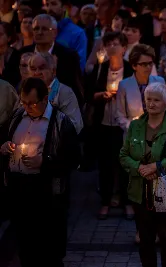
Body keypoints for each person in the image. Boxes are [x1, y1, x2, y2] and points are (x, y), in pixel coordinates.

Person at [0, 77, 80, 266]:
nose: (27, 107)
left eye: (32, 103)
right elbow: (4, 139)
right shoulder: (17, 117)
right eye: (24, 102)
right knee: (25, 247)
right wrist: (4, 147)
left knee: (48, 251)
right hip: (19, 189)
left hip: (46, 193)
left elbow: (74, 159)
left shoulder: (61, 123)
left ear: (46, 99)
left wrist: (44, 161)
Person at [119, 82, 166, 267]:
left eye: (157, 100)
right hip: (140, 191)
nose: (152, 103)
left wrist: (158, 166)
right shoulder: (136, 125)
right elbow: (124, 156)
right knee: (145, 240)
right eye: (148, 99)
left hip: (165, 190)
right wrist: (139, 167)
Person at [88, 31, 134, 219]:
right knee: (105, 164)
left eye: (117, 43)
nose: (112, 47)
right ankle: (106, 201)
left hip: (125, 124)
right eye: (109, 44)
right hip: (104, 122)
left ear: (124, 48)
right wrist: (101, 96)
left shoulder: (131, 69)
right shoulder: (100, 69)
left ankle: (127, 201)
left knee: (125, 164)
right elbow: (89, 94)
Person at [19, 14, 84, 107]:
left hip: (59, 106)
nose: (40, 32)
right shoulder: (22, 53)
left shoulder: (68, 56)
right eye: (36, 29)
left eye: (44, 29)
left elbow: (75, 87)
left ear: (55, 32)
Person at [28, 52, 83, 135]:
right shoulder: (26, 91)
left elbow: (75, 125)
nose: (37, 73)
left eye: (42, 68)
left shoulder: (65, 92)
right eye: (33, 69)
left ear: (53, 71)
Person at [116, 44, 165, 136]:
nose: (148, 67)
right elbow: (120, 116)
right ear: (134, 66)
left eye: (150, 63)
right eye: (144, 64)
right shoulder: (124, 85)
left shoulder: (160, 81)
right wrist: (132, 126)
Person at [45, 0, 88, 71]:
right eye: (47, 5)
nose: (49, 8)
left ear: (64, 7)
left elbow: (79, 65)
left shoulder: (77, 33)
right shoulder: (42, 31)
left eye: (53, 4)